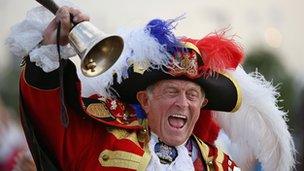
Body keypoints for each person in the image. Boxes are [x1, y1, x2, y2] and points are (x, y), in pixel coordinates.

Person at [7, 2, 295, 171]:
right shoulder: (102, 142)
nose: (183, 103)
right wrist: (51, 48)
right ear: (144, 100)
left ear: (202, 105)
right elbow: (50, 119)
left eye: (192, 95)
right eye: (172, 92)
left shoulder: (220, 165)